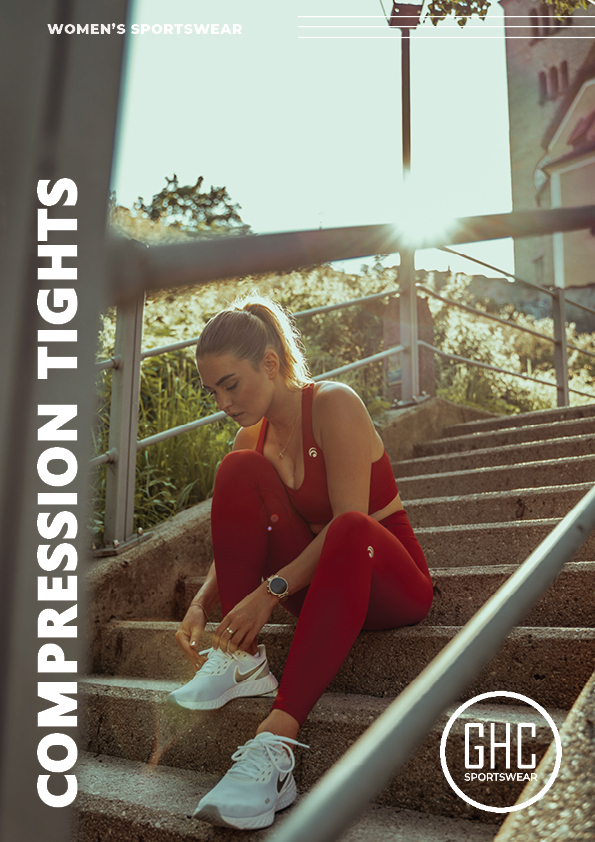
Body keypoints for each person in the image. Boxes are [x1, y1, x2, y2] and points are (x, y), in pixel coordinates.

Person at [169, 295, 433, 830]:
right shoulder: (253, 438)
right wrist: (203, 602)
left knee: (352, 525)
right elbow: (247, 538)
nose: (222, 401)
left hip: (387, 581)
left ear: (269, 363)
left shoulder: (334, 405)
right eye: (213, 389)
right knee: (235, 469)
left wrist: (268, 594)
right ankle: (238, 657)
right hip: (316, 587)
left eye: (231, 384)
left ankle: (277, 741)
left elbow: (347, 523)